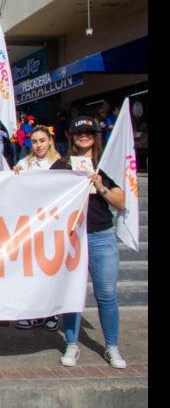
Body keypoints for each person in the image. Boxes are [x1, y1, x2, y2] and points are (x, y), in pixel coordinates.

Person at [58, 116, 128, 369]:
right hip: (72, 237)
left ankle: (112, 347)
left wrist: (101, 187)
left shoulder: (107, 166)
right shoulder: (62, 165)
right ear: (71, 136)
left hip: (101, 236)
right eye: (79, 132)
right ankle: (71, 344)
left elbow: (121, 202)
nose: (83, 136)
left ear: (96, 136)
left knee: (106, 294)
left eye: (88, 132)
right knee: (71, 293)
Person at [12, 125, 65, 331]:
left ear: (50, 141)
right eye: (34, 142)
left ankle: (51, 312)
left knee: (50, 271)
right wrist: (14, 175)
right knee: (30, 270)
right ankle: (31, 313)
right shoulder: (24, 164)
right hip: (30, 224)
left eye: (42, 140)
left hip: (54, 223)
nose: (38, 145)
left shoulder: (61, 163)